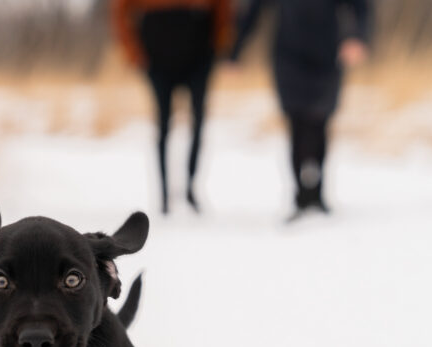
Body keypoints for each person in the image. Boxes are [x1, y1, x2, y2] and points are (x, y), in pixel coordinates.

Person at [229, 0, 370, 219]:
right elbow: (254, 12)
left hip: (327, 55)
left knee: (320, 121)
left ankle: (317, 192)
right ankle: (300, 194)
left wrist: (357, 37)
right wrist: (235, 51)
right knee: (297, 123)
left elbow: (360, 7)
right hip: (288, 56)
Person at [112, 0, 235, 214]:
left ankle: (190, 186)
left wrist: (218, 45)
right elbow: (120, 11)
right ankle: (164, 196)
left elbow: (223, 8)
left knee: (198, 121)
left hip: (199, 51)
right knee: (163, 125)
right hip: (157, 55)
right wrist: (135, 54)